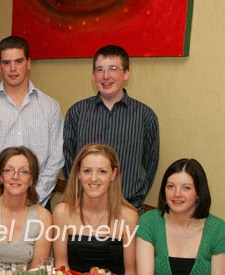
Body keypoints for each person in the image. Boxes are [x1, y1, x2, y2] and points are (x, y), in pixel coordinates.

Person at [0, 35, 64, 208]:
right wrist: (3, 194)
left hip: (38, 203)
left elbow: (56, 157)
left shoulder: (50, 107)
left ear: (28, 63)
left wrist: (35, 197)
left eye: (18, 61)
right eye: (6, 62)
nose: (13, 68)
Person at [63, 45, 159, 213]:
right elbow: (70, 160)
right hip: (83, 209)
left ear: (126, 74)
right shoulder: (77, 112)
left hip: (127, 208)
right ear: (93, 76)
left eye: (113, 69)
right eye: (100, 70)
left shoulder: (145, 116)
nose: (106, 76)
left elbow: (150, 162)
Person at [136, 159, 225, 275]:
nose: (177, 194)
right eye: (170, 186)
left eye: (186, 188)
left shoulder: (218, 230)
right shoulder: (149, 221)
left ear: (198, 194)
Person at [53, 143, 138, 275]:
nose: (93, 178)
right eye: (87, 171)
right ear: (79, 173)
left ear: (113, 174)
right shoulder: (62, 212)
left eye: (102, 171)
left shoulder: (129, 217)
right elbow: (61, 266)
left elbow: (130, 274)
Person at [0, 147, 52, 268]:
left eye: (24, 171)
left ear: (32, 179)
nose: (15, 176)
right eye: (9, 170)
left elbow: (37, 272)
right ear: (0, 177)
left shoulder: (43, 217)